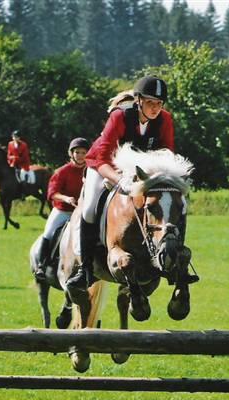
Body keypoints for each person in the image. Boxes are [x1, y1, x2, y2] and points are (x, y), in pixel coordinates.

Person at [66, 75, 180, 289]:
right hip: (104, 165)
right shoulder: (120, 117)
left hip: (141, 170)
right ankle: (86, 270)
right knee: (90, 207)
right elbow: (101, 159)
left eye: (159, 103)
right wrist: (120, 181)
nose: (155, 108)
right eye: (150, 103)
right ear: (138, 101)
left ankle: (173, 257)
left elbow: (167, 154)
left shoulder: (165, 120)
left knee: (170, 201)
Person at [33, 137, 90, 280]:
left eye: (84, 152)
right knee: (49, 232)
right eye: (77, 152)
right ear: (71, 153)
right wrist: (66, 198)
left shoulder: (90, 170)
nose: (81, 156)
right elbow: (52, 193)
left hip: (82, 211)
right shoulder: (62, 171)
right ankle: (41, 265)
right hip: (63, 211)